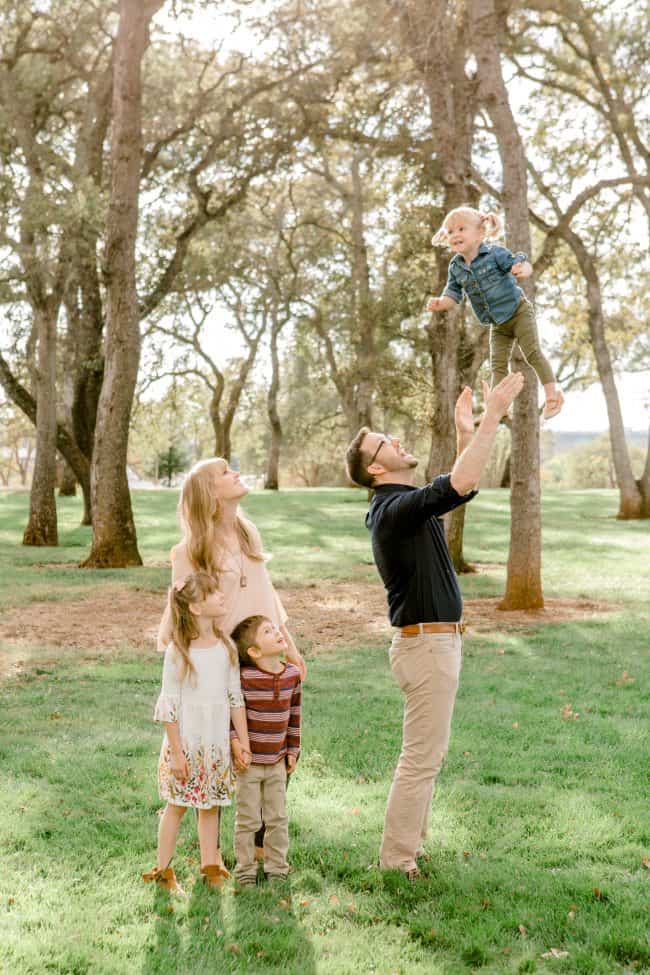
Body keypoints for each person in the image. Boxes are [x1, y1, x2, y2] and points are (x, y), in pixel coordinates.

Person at [345, 373, 524, 880]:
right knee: (421, 758)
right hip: (425, 648)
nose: (398, 440)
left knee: (429, 754)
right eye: (386, 442)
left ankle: (411, 848)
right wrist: (493, 414)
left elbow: (453, 487)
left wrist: (468, 436)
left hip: (433, 645)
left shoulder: (404, 507)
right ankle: (398, 858)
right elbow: (459, 483)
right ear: (377, 468)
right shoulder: (391, 512)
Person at [142, 571, 251, 893]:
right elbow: (169, 708)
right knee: (176, 806)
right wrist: (177, 754)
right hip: (185, 748)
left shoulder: (226, 647)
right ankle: (163, 871)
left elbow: (235, 699)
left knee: (210, 808)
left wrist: (242, 742)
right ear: (196, 608)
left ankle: (211, 869)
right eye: (213, 593)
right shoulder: (179, 652)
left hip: (215, 748)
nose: (221, 596)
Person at [427, 205, 563, 420]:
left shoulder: (495, 253)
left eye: (461, 229)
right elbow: (453, 294)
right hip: (498, 323)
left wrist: (522, 270)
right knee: (497, 364)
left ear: (480, 232)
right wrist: (440, 303)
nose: (455, 235)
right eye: (451, 231)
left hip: (518, 311)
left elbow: (521, 265)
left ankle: (553, 395)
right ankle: (496, 409)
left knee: (532, 352)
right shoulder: (456, 267)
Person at [229, 614, 302, 886]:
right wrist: (236, 744)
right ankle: (245, 871)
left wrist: (293, 749)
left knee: (277, 818)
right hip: (248, 765)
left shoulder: (292, 675)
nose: (277, 633)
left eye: (275, 628)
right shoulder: (244, 678)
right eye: (268, 631)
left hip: (277, 763)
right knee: (247, 820)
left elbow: (295, 714)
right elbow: (231, 716)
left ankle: (277, 869)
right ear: (254, 651)